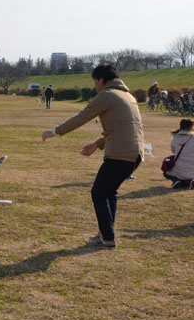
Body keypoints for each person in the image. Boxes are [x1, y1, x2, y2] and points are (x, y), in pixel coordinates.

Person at [42, 65, 144, 249]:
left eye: (95, 81)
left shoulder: (107, 94)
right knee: (108, 192)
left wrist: (55, 131)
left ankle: (107, 237)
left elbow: (83, 115)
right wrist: (98, 143)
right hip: (134, 154)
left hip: (120, 154)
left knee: (98, 192)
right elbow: (124, 129)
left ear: (101, 80)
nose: (95, 86)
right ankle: (107, 234)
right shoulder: (128, 96)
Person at [163, 118, 194, 189]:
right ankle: (191, 181)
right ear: (191, 127)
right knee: (189, 175)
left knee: (166, 173)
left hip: (178, 168)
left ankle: (176, 180)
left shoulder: (175, 137)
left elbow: (173, 151)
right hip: (192, 169)